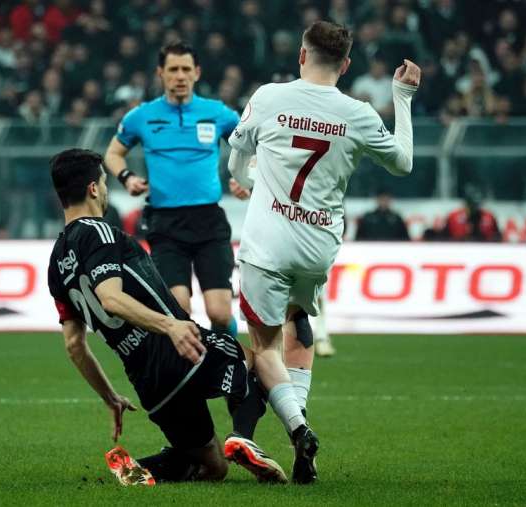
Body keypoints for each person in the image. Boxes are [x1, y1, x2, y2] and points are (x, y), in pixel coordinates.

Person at [227, 20, 421, 483]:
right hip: (317, 247)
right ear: (347, 64)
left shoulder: (269, 97)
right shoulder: (358, 113)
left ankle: (298, 429)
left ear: (301, 55)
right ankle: (298, 438)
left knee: (263, 347)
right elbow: (403, 162)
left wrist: (250, 181)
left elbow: (235, 158)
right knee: (299, 321)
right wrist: (403, 97)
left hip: (267, 244)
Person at [46, 148, 285, 485]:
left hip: (147, 381)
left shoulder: (56, 262)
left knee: (213, 468)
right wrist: (170, 325)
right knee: (259, 361)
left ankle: (130, 470)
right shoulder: (98, 232)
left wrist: (110, 397)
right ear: (94, 189)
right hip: (177, 347)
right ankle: (242, 437)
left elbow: (74, 345)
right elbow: (111, 298)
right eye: (103, 180)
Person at [104, 41, 249, 341]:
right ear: (161, 73)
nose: (179, 76)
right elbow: (112, 154)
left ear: (197, 73)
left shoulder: (218, 113)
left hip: (208, 221)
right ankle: (194, 376)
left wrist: (245, 177)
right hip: (165, 225)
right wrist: (127, 177)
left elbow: (251, 147)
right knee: (179, 310)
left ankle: (231, 368)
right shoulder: (141, 116)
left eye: (185, 69)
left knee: (220, 314)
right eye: (173, 69)